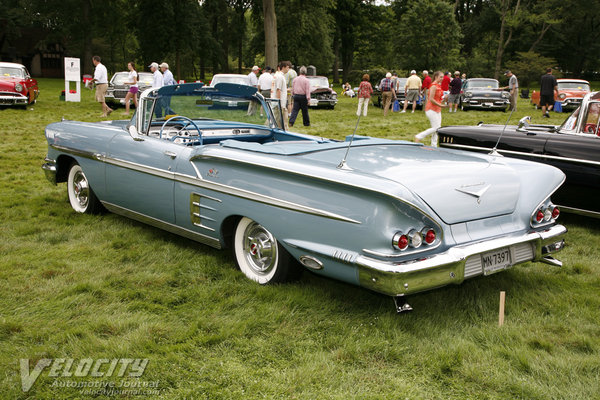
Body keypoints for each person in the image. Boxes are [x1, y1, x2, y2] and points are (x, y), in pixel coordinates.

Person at [415, 71, 447, 147]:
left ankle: (434, 145)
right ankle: (419, 136)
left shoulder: (439, 86)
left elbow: (439, 99)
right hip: (431, 109)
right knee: (436, 128)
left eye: (443, 77)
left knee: (437, 129)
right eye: (441, 77)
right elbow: (431, 99)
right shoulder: (433, 86)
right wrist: (441, 105)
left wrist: (444, 99)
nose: (442, 79)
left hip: (437, 109)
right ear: (436, 77)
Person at [271, 61, 291, 129]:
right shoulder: (280, 76)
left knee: (282, 119)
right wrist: (279, 102)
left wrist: (286, 90)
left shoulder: (280, 76)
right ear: (283, 67)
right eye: (288, 67)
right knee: (277, 119)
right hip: (279, 103)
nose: (289, 69)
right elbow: (278, 90)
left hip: (281, 102)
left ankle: (283, 129)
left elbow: (280, 89)